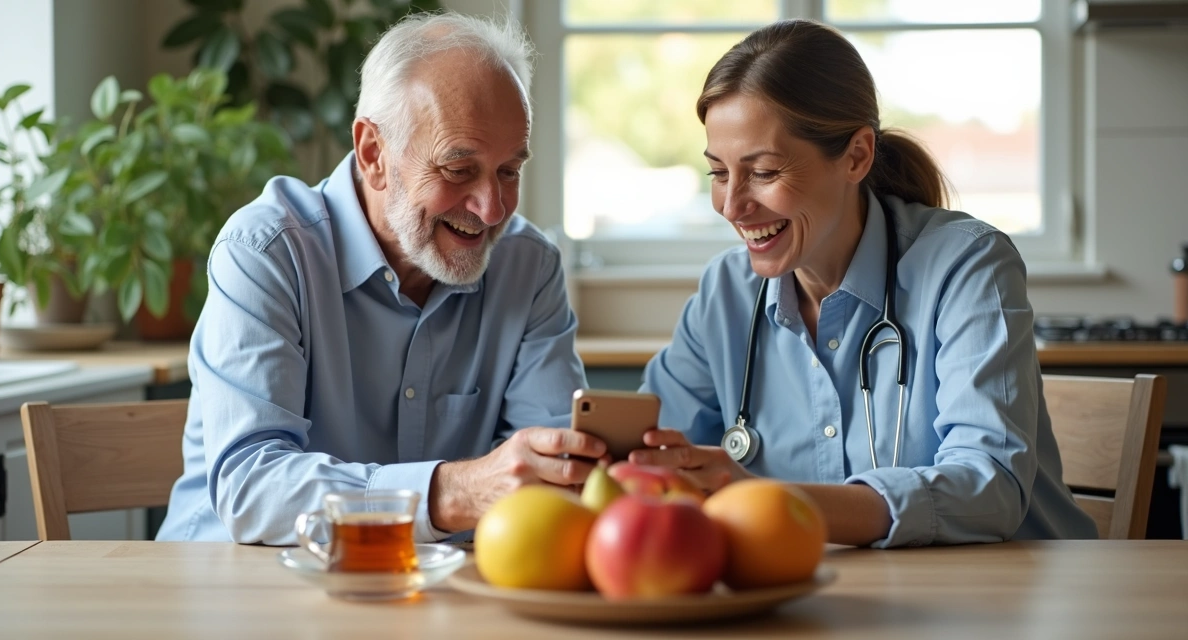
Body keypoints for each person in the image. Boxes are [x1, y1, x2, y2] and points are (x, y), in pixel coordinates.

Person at [632, 20, 1098, 548]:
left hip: (1008, 604)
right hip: (826, 600)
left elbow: (988, 487)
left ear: (856, 155)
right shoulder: (726, 293)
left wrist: (766, 500)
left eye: (762, 172)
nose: (732, 206)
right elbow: (652, 454)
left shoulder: (965, 265)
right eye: (719, 173)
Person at [157, 13, 607, 545]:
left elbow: (549, 472)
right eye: (458, 170)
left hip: (435, 600)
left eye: (509, 171)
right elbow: (253, 488)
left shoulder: (528, 266)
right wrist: (453, 491)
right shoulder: (266, 252)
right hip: (238, 592)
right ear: (374, 153)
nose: (491, 210)